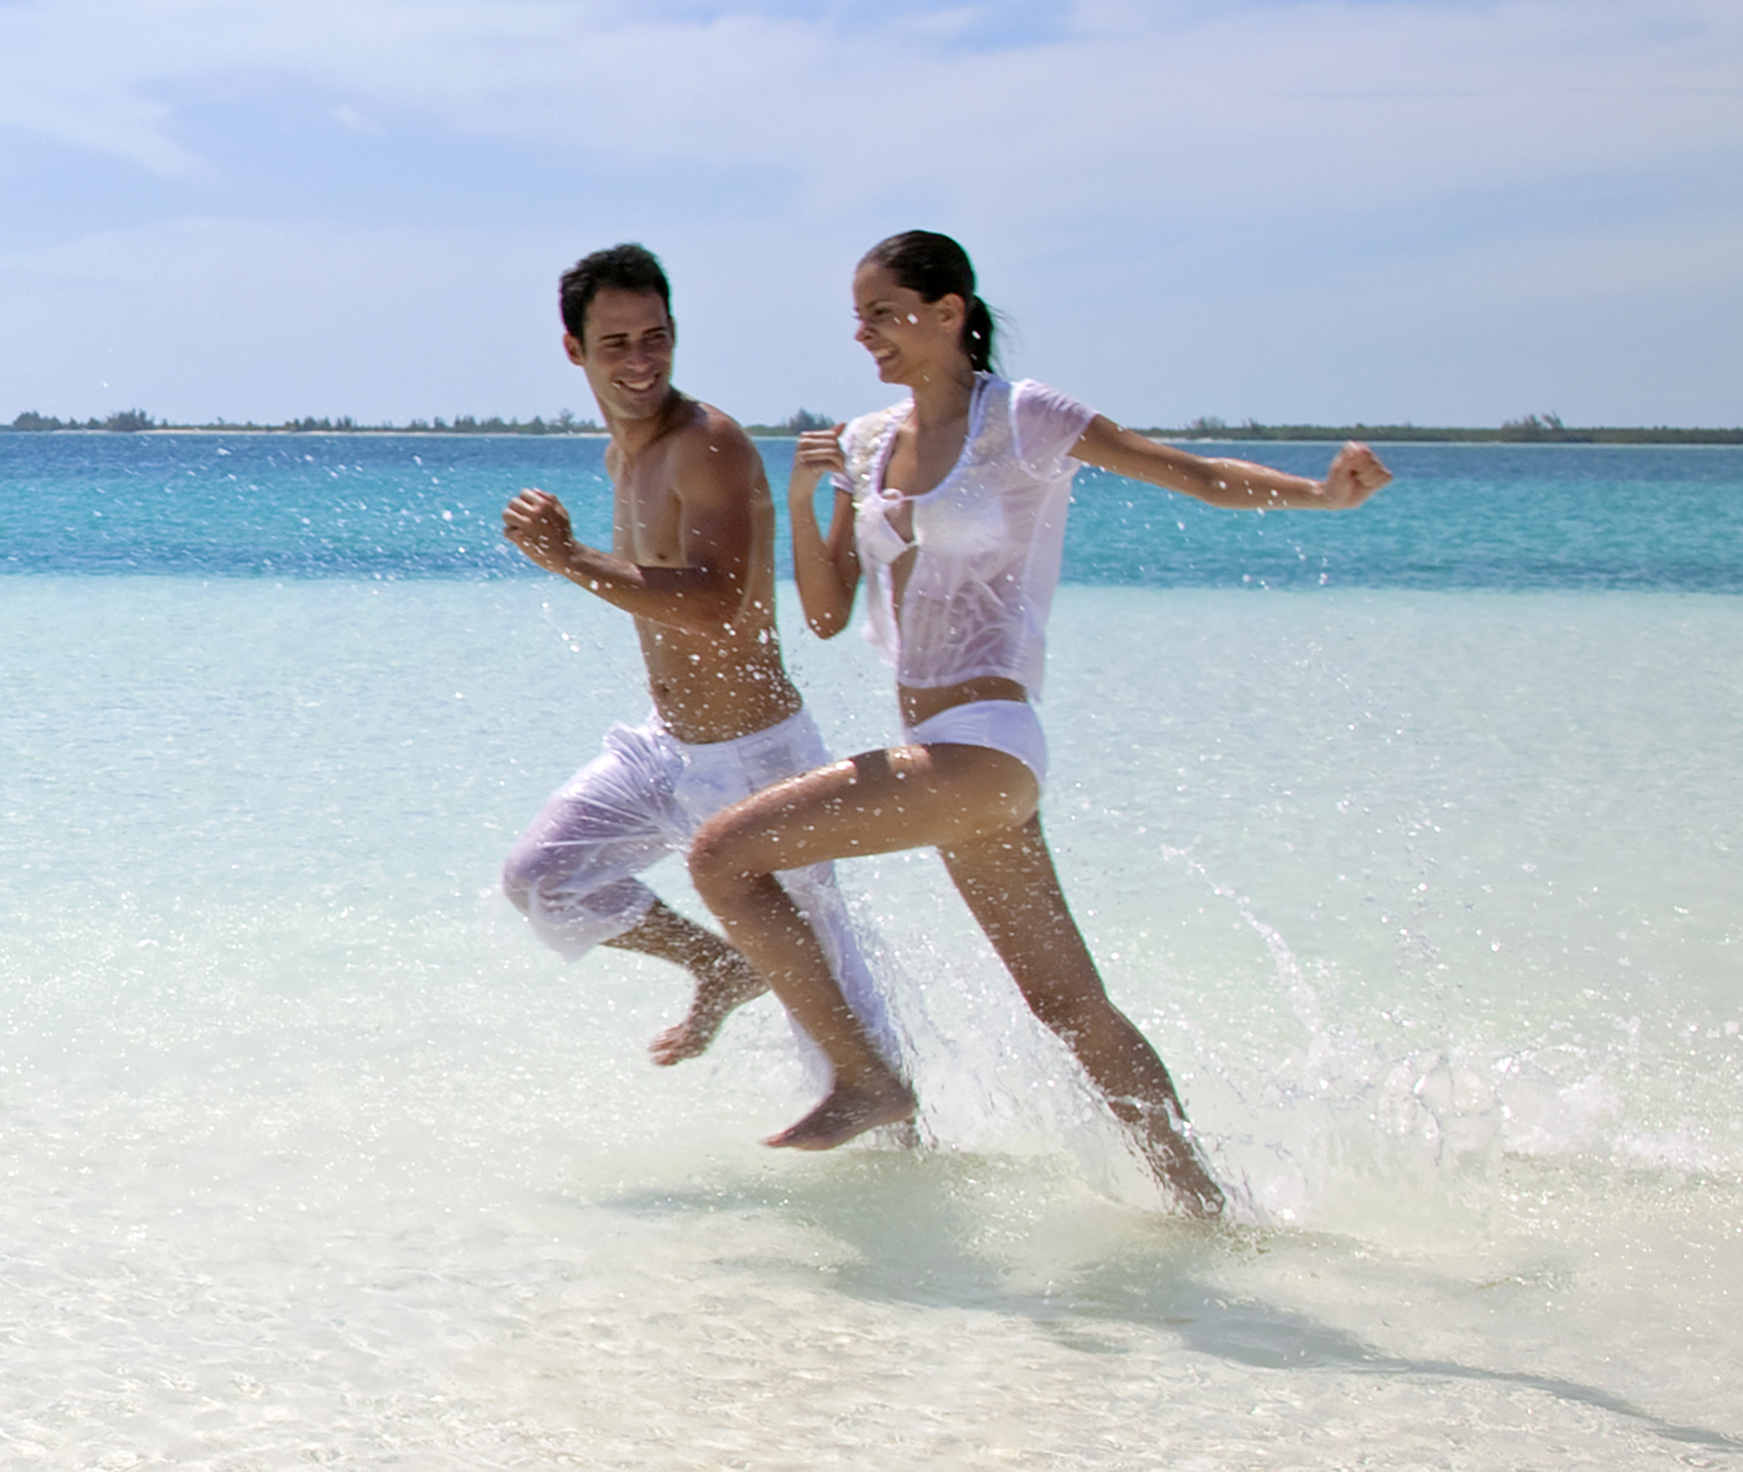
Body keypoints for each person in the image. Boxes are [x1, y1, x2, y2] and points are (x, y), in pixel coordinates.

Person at [684, 230, 1394, 1215]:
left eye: (883, 313)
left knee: (722, 857)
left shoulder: (1023, 417)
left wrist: (1319, 496)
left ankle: (864, 1079)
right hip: (945, 760)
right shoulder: (866, 442)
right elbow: (825, 612)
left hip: (986, 741)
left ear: (947, 312)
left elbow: (1186, 473)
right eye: (858, 318)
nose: (864, 334)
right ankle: (1205, 1210)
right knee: (1068, 1005)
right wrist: (808, 499)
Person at [499, 244, 899, 1087]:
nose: (640, 361)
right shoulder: (623, 455)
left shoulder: (706, 443)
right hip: (665, 747)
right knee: (543, 880)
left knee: (834, 1015)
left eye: (655, 338)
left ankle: (900, 1145)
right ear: (574, 349)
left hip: (754, 757)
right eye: (615, 344)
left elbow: (715, 600)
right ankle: (720, 964)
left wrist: (568, 557)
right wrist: (573, 556)